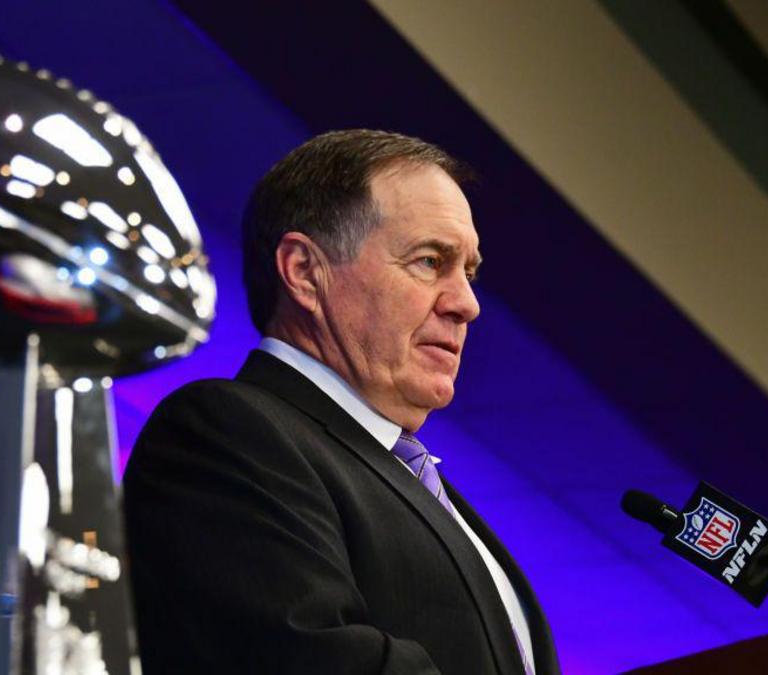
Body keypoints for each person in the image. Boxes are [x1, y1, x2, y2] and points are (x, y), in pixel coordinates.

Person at [123, 130, 558, 674]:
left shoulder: (415, 480)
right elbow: (311, 659)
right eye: (429, 261)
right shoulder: (227, 433)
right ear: (305, 272)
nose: (466, 303)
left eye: (467, 272)